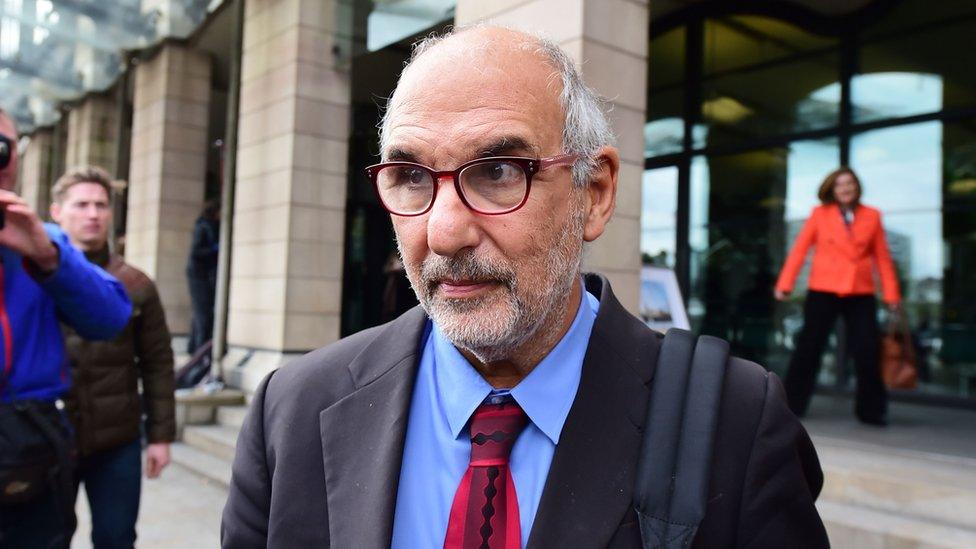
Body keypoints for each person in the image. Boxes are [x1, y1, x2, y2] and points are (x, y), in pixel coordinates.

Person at [222, 27, 828, 548]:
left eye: (499, 172)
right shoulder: (294, 410)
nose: (445, 231)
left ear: (594, 193)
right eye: (410, 177)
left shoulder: (736, 423)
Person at [0, 111, 132, 548]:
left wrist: (48, 256)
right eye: (83, 205)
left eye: (2, 147)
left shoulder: (39, 243)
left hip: (32, 441)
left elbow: (113, 318)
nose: (93, 215)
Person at [50, 166, 177, 548]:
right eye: (82, 204)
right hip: (48, 439)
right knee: (47, 538)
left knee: (116, 538)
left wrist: (160, 436)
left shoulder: (136, 284)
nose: (93, 214)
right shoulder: (33, 275)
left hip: (117, 440)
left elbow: (157, 363)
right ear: (57, 212)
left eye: (101, 205)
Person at [775, 166, 901, 426]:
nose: (846, 188)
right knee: (809, 348)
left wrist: (891, 294)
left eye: (850, 184)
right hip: (823, 289)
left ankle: (872, 411)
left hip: (860, 291)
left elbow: (882, 258)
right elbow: (799, 251)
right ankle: (790, 405)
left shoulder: (872, 216)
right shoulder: (819, 215)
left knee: (867, 350)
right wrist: (785, 283)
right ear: (832, 189)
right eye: (840, 185)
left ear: (857, 188)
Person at [185, 200, 219, 354]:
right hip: (198, 276)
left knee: (200, 315)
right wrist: (214, 250)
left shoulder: (209, 225)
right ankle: (199, 354)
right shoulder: (203, 226)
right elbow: (196, 251)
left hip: (204, 276)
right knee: (203, 316)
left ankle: (195, 349)